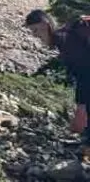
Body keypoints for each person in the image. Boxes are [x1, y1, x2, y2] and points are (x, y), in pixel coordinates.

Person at [25, 9, 90, 157]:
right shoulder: (65, 37)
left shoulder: (64, 39)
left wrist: (81, 105)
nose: (35, 36)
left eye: (35, 30)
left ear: (44, 24)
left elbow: (85, 72)